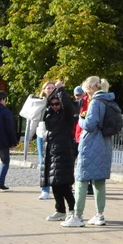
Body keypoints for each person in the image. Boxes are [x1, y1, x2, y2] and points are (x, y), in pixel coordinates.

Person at [64, 77, 116, 228]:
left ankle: (77, 216)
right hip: (104, 144)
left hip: (91, 144)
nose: (86, 94)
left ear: (93, 88)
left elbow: (90, 124)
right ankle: (99, 215)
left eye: (87, 90)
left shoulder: (96, 102)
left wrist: (81, 119)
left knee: (81, 180)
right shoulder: (109, 100)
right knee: (99, 181)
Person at [41, 84, 77, 221]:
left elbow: (68, 107)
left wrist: (60, 90)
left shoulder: (67, 114)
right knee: (54, 182)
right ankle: (60, 209)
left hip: (64, 151)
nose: (55, 106)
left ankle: (72, 209)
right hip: (52, 151)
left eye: (57, 104)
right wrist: (46, 98)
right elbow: (36, 112)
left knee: (63, 183)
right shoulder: (50, 114)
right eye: (52, 104)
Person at [23, 82, 55, 200]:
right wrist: (28, 137)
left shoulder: (60, 101)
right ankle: (45, 189)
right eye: (48, 88)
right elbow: (33, 120)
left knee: (56, 163)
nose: (50, 89)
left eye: (52, 87)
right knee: (43, 163)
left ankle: (59, 188)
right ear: (44, 90)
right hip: (42, 134)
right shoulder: (39, 102)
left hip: (56, 136)